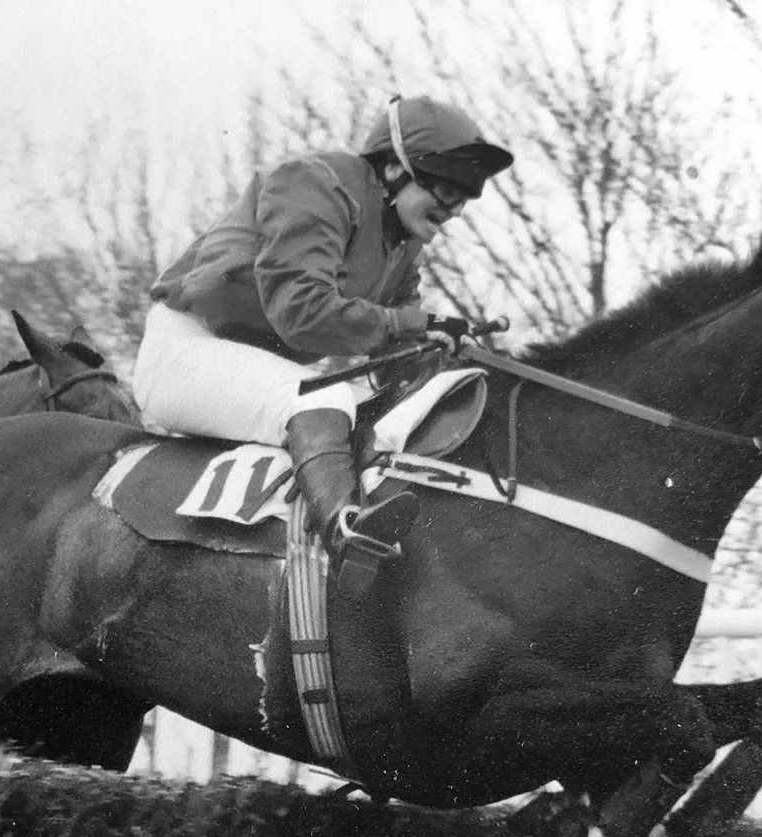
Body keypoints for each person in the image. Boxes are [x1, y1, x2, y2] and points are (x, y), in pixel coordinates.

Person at [134, 94, 513, 597]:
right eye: (447, 185)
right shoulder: (314, 184)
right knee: (323, 398)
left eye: (468, 192)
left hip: (257, 366)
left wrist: (445, 353)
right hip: (187, 348)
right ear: (395, 167)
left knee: (386, 410)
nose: (457, 206)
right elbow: (301, 312)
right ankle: (348, 535)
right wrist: (417, 325)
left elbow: (394, 347)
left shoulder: (404, 244)